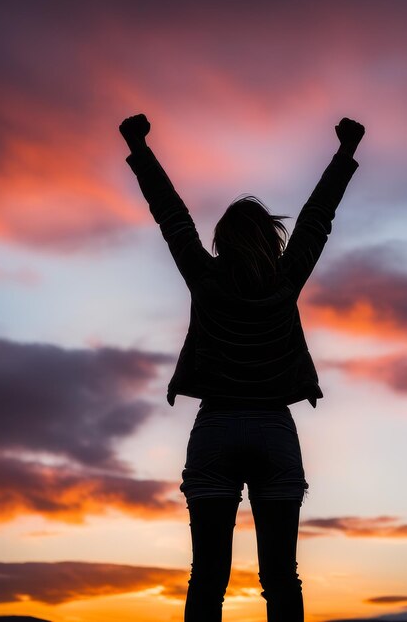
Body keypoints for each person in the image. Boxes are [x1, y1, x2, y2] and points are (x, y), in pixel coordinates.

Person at [119, 113, 364, 622]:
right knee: (281, 577)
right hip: (275, 428)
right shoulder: (286, 278)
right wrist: (344, 154)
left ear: (222, 241)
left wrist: (139, 148)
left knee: (207, 578)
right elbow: (318, 216)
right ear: (269, 240)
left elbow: (171, 216)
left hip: (216, 427)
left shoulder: (204, 277)